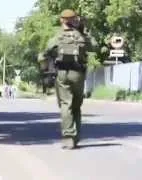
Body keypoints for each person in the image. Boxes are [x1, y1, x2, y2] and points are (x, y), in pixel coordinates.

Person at [42, 9, 95, 149]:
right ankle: (76, 137)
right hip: (78, 74)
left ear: (61, 20)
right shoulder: (80, 35)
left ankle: (68, 137)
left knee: (66, 104)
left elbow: (46, 51)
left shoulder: (57, 37)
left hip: (62, 74)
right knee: (77, 106)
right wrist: (84, 32)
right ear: (74, 20)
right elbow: (94, 47)